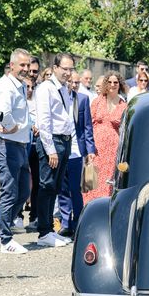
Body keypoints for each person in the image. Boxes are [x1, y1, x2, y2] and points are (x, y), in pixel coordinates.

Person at [0, 48, 32, 254]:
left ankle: (1, 232)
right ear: (12, 65)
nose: (26, 69)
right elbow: (4, 112)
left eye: (28, 65)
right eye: (22, 65)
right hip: (7, 143)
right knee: (10, 192)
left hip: (19, 144)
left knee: (24, 191)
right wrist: (12, 126)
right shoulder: (6, 85)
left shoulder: (20, 86)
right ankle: (5, 238)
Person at [34, 52, 76, 248]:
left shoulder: (64, 88)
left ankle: (50, 229)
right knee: (47, 186)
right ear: (55, 68)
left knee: (56, 187)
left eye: (70, 69)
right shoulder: (46, 88)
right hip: (53, 142)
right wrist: (50, 150)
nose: (68, 73)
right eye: (64, 69)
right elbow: (44, 121)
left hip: (64, 141)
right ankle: (44, 231)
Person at [57, 72, 96, 237]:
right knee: (62, 189)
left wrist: (90, 150)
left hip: (76, 150)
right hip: (60, 150)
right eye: (71, 82)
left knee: (76, 189)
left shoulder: (83, 99)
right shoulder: (58, 97)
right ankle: (65, 223)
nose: (74, 85)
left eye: (77, 83)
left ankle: (78, 221)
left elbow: (87, 127)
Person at [84, 72, 127, 204]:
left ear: (119, 85)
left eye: (116, 82)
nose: (112, 85)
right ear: (105, 84)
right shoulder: (97, 101)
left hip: (112, 150)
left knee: (107, 183)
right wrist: (88, 147)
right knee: (90, 181)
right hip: (95, 148)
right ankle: (87, 211)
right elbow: (88, 125)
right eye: (110, 82)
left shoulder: (124, 105)